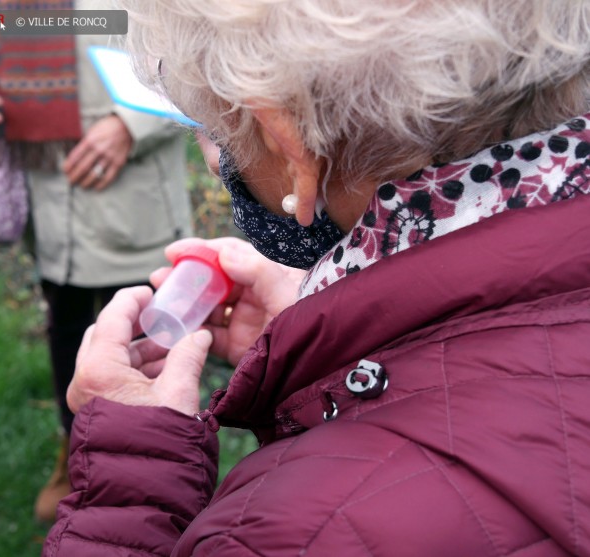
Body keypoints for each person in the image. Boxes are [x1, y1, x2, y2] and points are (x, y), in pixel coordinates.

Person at [45, 1, 590, 554]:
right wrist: (332, 330)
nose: (216, 161)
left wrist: (131, 480)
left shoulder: (303, 530)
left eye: (216, 130)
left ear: (292, 149)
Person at [0, 0, 193, 523]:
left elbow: (196, 44)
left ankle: (158, 473)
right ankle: (76, 452)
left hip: (133, 194)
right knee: (67, 327)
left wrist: (130, 122)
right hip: (44, 190)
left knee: (149, 334)